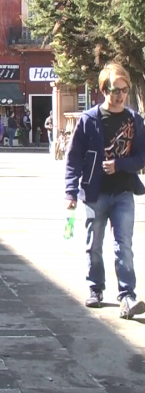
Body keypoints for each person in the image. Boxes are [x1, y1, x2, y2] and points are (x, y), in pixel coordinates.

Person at [66, 63, 145, 319]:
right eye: (115, 90)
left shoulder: (134, 120)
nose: (120, 95)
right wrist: (70, 192)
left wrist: (120, 164)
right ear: (103, 90)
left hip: (123, 193)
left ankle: (127, 296)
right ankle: (95, 288)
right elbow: (74, 157)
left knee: (124, 245)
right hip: (94, 193)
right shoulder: (90, 119)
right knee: (94, 244)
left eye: (124, 90)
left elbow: (141, 157)